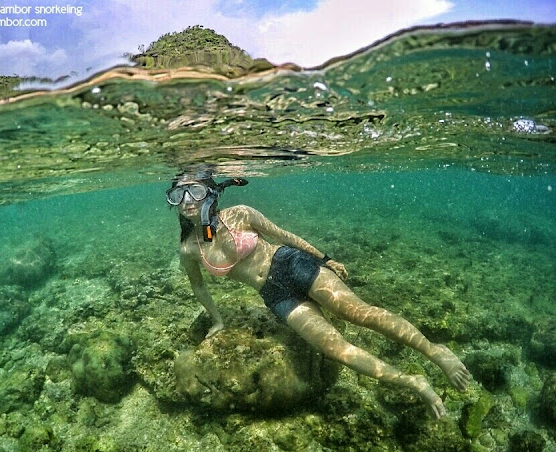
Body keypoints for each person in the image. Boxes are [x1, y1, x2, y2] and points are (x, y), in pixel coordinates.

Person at [166, 171, 470, 419]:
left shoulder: (241, 214)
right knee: (336, 349)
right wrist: (217, 321)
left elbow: (283, 235)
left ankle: (435, 351)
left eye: (194, 191)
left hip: (290, 264)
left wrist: (324, 259)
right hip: (274, 294)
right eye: (179, 194)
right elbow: (198, 286)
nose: (187, 200)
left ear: (211, 192)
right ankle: (412, 382)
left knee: (358, 313)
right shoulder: (189, 248)